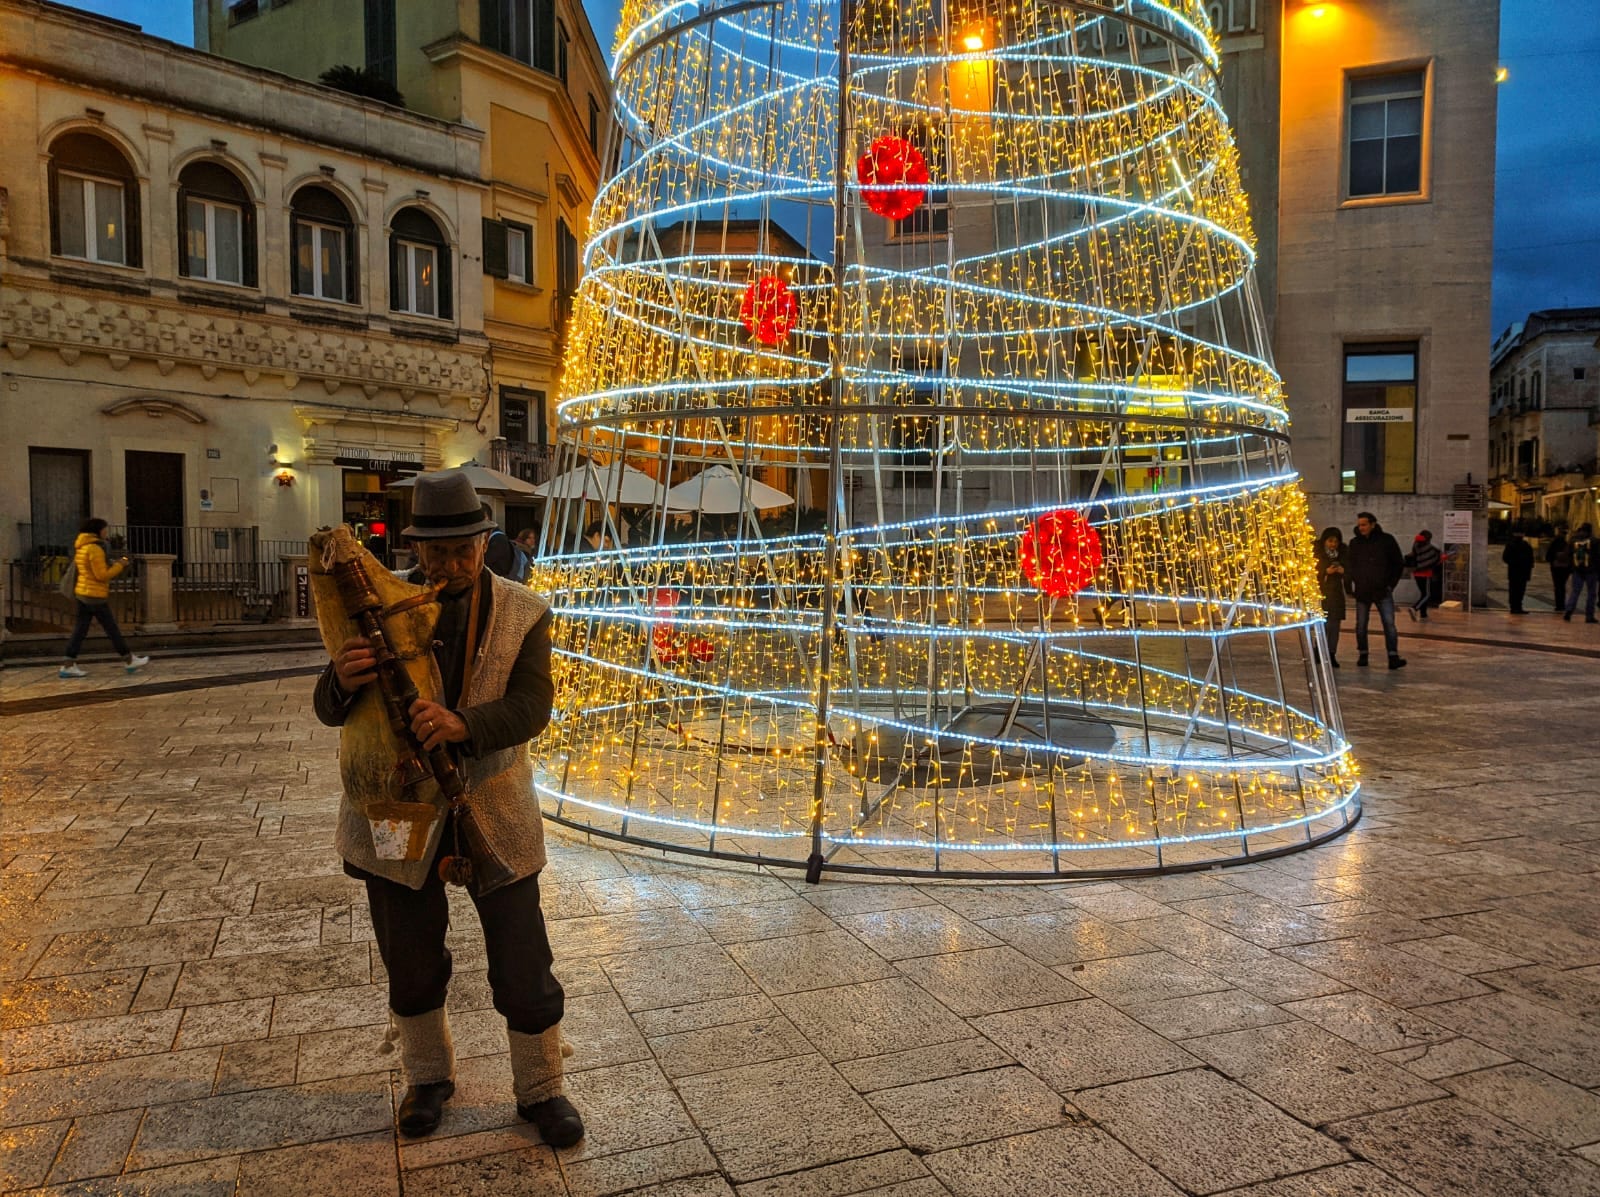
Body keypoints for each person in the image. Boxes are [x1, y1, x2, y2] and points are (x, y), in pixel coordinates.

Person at [312, 470, 582, 1146]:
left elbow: (533, 706)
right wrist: (339, 680)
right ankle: (427, 1077)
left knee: (523, 956)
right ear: (417, 548)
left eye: (465, 549)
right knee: (408, 954)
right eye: (438, 553)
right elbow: (328, 708)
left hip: (492, 802)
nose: (452, 565)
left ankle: (542, 1087)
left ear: (485, 541)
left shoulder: (524, 610)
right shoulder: (372, 603)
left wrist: (463, 723)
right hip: (397, 809)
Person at [59, 518, 150, 679]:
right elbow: (102, 575)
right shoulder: (95, 549)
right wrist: (120, 564)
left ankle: (68, 664)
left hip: (83, 593)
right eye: (104, 529)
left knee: (81, 630)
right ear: (97, 531)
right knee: (111, 629)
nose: (106, 532)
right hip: (94, 595)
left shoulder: (82, 546)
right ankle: (129, 660)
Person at [1346, 511, 1406, 670]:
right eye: (1359, 525)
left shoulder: (1386, 540)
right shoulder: (1355, 543)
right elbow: (1350, 565)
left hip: (1382, 590)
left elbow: (1398, 563)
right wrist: (1353, 583)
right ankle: (1363, 654)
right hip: (1363, 590)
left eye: (1364, 524)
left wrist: (1390, 585)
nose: (1361, 528)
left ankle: (1393, 655)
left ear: (1372, 524)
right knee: (1361, 625)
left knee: (1389, 624)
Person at [1314, 527, 1348, 668]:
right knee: (1323, 624)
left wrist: (1343, 571)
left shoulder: (1343, 554)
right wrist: (1325, 572)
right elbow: (1312, 573)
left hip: (1336, 595)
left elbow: (1350, 571)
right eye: (1330, 541)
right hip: (1321, 594)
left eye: (1336, 542)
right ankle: (1318, 650)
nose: (1333, 544)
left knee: (1334, 626)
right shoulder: (1317, 554)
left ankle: (1331, 653)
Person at [1403, 530, 1443, 621]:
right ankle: (1414, 608)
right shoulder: (1430, 548)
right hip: (1425, 574)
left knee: (1423, 593)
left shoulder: (1416, 545)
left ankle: (1423, 615)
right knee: (1428, 595)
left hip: (1416, 573)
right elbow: (1436, 559)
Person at [1563, 523, 1598, 623]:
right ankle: (1589, 616)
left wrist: (1571, 567)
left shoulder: (1573, 540)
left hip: (1577, 570)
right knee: (1591, 593)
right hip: (1591, 570)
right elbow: (1598, 556)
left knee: (1575, 591)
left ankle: (1569, 610)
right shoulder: (1595, 541)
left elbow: (1568, 554)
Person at [1502, 529, 1534, 615]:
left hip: (1515, 572)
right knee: (1519, 590)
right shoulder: (1525, 545)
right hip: (1521, 572)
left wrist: (1513, 563)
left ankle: (1515, 607)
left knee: (1515, 590)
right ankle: (1517, 607)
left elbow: (1505, 558)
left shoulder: (1512, 545)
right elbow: (1530, 559)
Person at [1547, 526, 1573, 614]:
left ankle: (1559, 605)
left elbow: (1548, 556)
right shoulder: (1567, 544)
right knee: (1562, 586)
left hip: (1555, 568)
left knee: (1557, 586)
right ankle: (1562, 604)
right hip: (1565, 569)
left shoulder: (1554, 543)